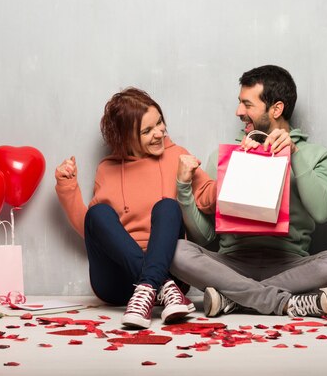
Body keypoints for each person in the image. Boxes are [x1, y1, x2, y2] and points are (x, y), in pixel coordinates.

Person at [171, 65, 327, 319]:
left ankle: (234, 299)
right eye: (240, 103)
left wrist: (295, 154)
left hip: (291, 265)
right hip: (231, 266)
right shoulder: (224, 156)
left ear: (276, 109)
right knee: (176, 250)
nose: (239, 112)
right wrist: (183, 188)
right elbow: (205, 237)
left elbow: (322, 212)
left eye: (247, 104)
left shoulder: (317, 156)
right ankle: (283, 303)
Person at [55, 87, 216, 328]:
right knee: (97, 214)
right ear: (127, 138)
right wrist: (67, 186)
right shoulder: (106, 169)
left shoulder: (178, 156)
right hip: (117, 283)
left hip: (170, 270)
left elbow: (206, 197)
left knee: (168, 207)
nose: (160, 133)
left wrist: (239, 174)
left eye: (159, 122)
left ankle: (153, 284)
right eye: (147, 131)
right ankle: (158, 286)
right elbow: (91, 229)